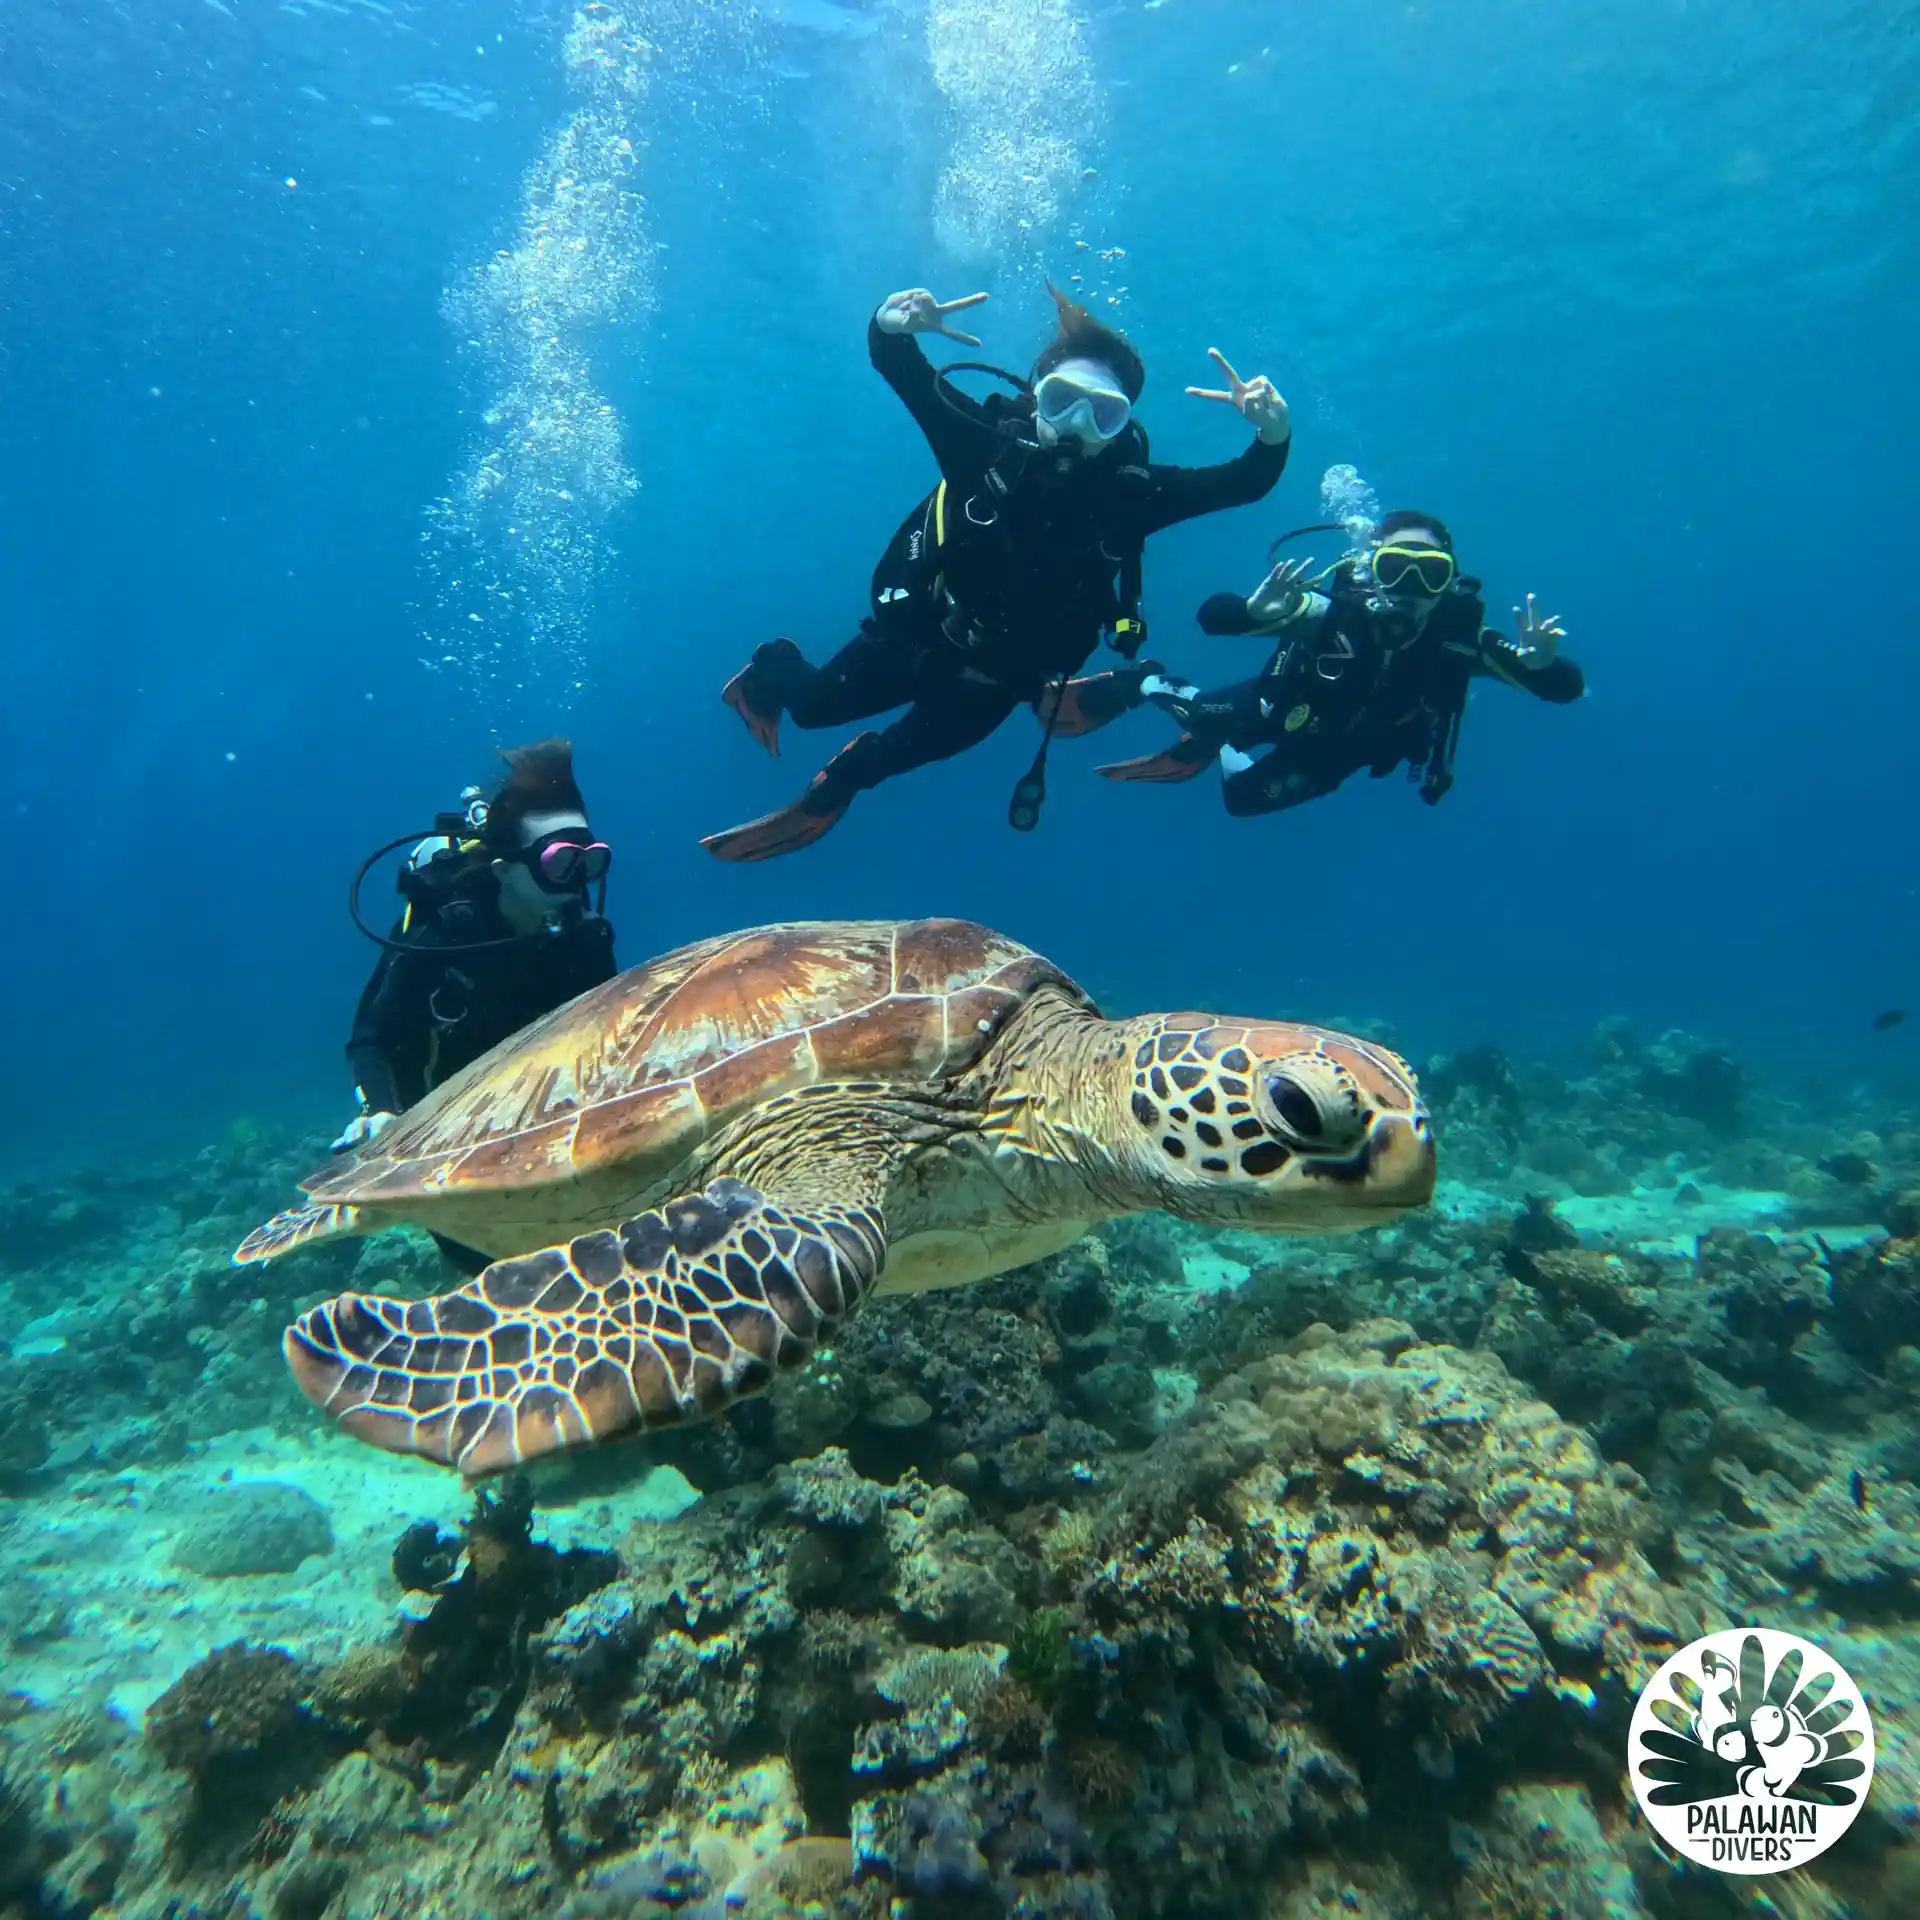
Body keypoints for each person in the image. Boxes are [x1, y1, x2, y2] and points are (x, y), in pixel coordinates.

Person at [700, 282, 1293, 860]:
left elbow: (1244, 482)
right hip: (922, 636)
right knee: (811, 708)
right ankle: (770, 668)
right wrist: (890, 322)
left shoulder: (1134, 495)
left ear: (1122, 426)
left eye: (1104, 414)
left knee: (881, 763)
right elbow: (903, 371)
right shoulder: (980, 444)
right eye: (1063, 402)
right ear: (1037, 398)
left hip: (1001, 680)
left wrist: (1271, 432)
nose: (1078, 428)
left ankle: (848, 775)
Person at [1087, 510, 1584, 815]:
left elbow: (1565, 689)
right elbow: (1212, 617)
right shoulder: (1335, 612)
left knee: (1241, 801)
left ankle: (1221, 748)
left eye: (1429, 573)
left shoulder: (1463, 639)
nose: (1410, 587)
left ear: (1449, 582)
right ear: (1373, 567)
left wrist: (1541, 667)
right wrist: (1252, 612)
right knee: (1202, 715)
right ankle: (1146, 683)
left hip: (1337, 755)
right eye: (1396, 567)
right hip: (1271, 706)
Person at [336, 740, 617, 1270]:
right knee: (486, 1262)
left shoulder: (584, 940)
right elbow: (371, 1037)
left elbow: (612, 1038)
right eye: (561, 865)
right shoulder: (445, 933)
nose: (578, 884)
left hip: (552, 1127)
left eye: (591, 862)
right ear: (504, 869)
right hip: (445, 1132)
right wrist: (380, 1112)